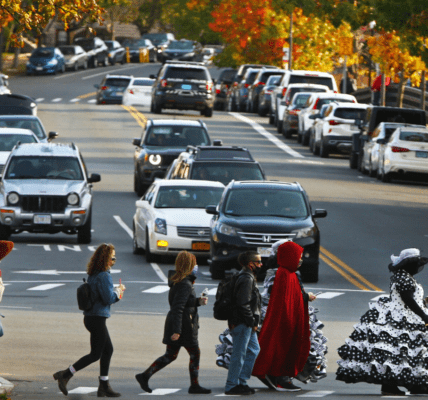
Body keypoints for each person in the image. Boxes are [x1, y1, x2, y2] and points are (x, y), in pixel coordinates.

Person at [336, 248, 428, 395]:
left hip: (407, 317)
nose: (417, 266)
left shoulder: (404, 276)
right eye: (415, 263)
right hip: (401, 319)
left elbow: (411, 298)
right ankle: (389, 385)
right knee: (397, 352)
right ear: (408, 264)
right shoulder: (403, 277)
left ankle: (415, 383)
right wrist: (423, 315)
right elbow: (408, 299)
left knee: (411, 352)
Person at [254, 240, 327, 391]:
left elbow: (294, 297)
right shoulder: (284, 274)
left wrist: (305, 298)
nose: (300, 260)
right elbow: (285, 302)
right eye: (297, 256)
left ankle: (281, 377)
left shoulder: (290, 274)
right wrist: (304, 300)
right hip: (286, 322)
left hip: (291, 319)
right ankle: (280, 378)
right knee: (283, 350)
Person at [53, 243, 125, 397]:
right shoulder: (104, 275)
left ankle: (103, 385)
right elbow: (107, 298)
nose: (114, 260)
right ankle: (65, 374)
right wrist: (119, 293)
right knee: (95, 354)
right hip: (97, 318)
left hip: (91, 317)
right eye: (113, 257)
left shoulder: (94, 273)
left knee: (107, 350)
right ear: (106, 258)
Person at [135, 251, 211, 394]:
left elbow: (182, 303)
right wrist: (177, 331)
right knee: (195, 353)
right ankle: (194, 385)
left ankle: (145, 376)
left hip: (177, 323)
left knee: (171, 355)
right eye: (194, 263)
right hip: (184, 325)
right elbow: (178, 307)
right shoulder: (185, 284)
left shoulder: (178, 281)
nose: (196, 266)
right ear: (189, 265)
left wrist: (197, 302)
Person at [225, 251, 261, 395]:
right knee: (239, 355)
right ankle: (231, 385)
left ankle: (241, 381)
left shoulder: (247, 276)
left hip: (245, 322)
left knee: (253, 350)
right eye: (258, 262)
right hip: (243, 323)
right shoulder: (246, 278)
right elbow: (243, 303)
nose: (261, 264)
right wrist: (252, 321)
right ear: (250, 264)